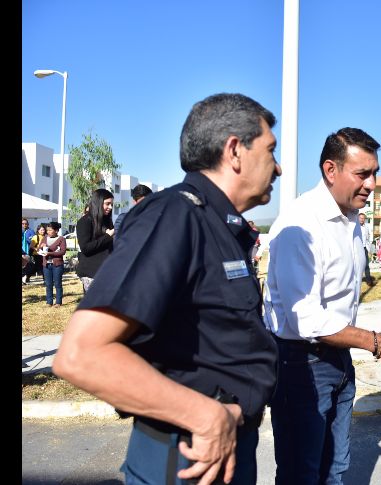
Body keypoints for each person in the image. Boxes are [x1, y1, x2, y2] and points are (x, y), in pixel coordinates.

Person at [53, 93, 282, 485]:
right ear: (234, 151)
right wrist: (206, 416)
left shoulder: (219, 226)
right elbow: (81, 354)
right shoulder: (174, 216)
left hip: (222, 446)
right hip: (186, 455)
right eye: (270, 150)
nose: (278, 167)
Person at [264, 127, 381, 485]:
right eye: (362, 174)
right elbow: (306, 319)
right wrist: (377, 342)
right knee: (301, 474)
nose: (372, 184)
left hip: (339, 359)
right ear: (330, 170)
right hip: (301, 364)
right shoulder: (300, 224)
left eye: (375, 173)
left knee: (335, 469)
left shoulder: (351, 220)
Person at [75, 188, 115, 292]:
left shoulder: (106, 221)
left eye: (111, 204)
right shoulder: (85, 221)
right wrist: (108, 236)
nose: (110, 207)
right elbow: (86, 248)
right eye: (107, 204)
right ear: (98, 203)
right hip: (91, 274)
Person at [40, 221, 67, 307]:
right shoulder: (45, 238)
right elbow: (38, 249)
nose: (48, 232)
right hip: (46, 265)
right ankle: (49, 302)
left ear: (56, 230)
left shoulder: (61, 239)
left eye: (50, 230)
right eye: (47, 230)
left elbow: (63, 252)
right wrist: (41, 247)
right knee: (48, 284)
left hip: (57, 265)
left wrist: (50, 253)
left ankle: (58, 302)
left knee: (58, 284)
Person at [359, 213, 376, 286]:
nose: (362, 219)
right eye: (360, 218)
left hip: (364, 248)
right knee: (356, 265)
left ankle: (369, 281)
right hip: (357, 248)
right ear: (358, 218)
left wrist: (369, 248)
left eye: (363, 218)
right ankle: (355, 280)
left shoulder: (366, 227)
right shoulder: (355, 226)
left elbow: (368, 237)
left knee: (366, 264)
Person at [21, 218, 36, 284]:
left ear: (28, 224)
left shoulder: (31, 231)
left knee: (29, 265)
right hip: (22, 250)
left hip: (28, 251)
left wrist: (28, 239)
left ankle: (26, 277)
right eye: (23, 224)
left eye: (26, 224)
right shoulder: (22, 231)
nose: (24, 225)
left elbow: (33, 241)